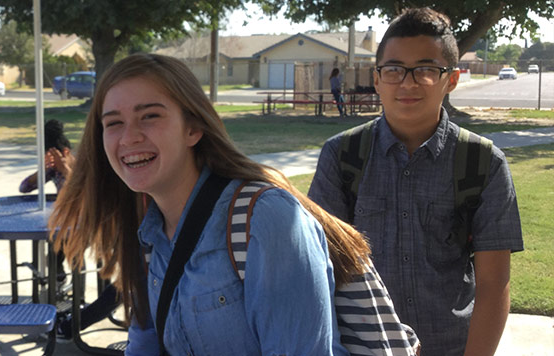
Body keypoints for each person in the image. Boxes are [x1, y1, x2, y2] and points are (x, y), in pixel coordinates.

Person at [48, 53, 388, 355]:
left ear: (193, 129)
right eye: (113, 123)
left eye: (149, 116)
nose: (128, 137)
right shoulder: (146, 234)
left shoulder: (268, 220)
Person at [308, 8, 523, 356]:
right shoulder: (341, 156)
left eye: (425, 70)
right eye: (393, 70)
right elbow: (318, 269)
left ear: (451, 80)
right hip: (362, 349)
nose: (407, 83)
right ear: (377, 79)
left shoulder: (483, 163)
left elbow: (493, 283)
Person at [19, 119, 120, 341]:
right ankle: (60, 284)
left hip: (94, 224)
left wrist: (66, 168)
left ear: (66, 151)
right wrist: (42, 171)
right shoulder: (53, 171)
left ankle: (78, 298)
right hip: (68, 225)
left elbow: (87, 194)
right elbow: (24, 188)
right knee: (55, 250)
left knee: (74, 253)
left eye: (56, 155)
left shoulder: (84, 166)